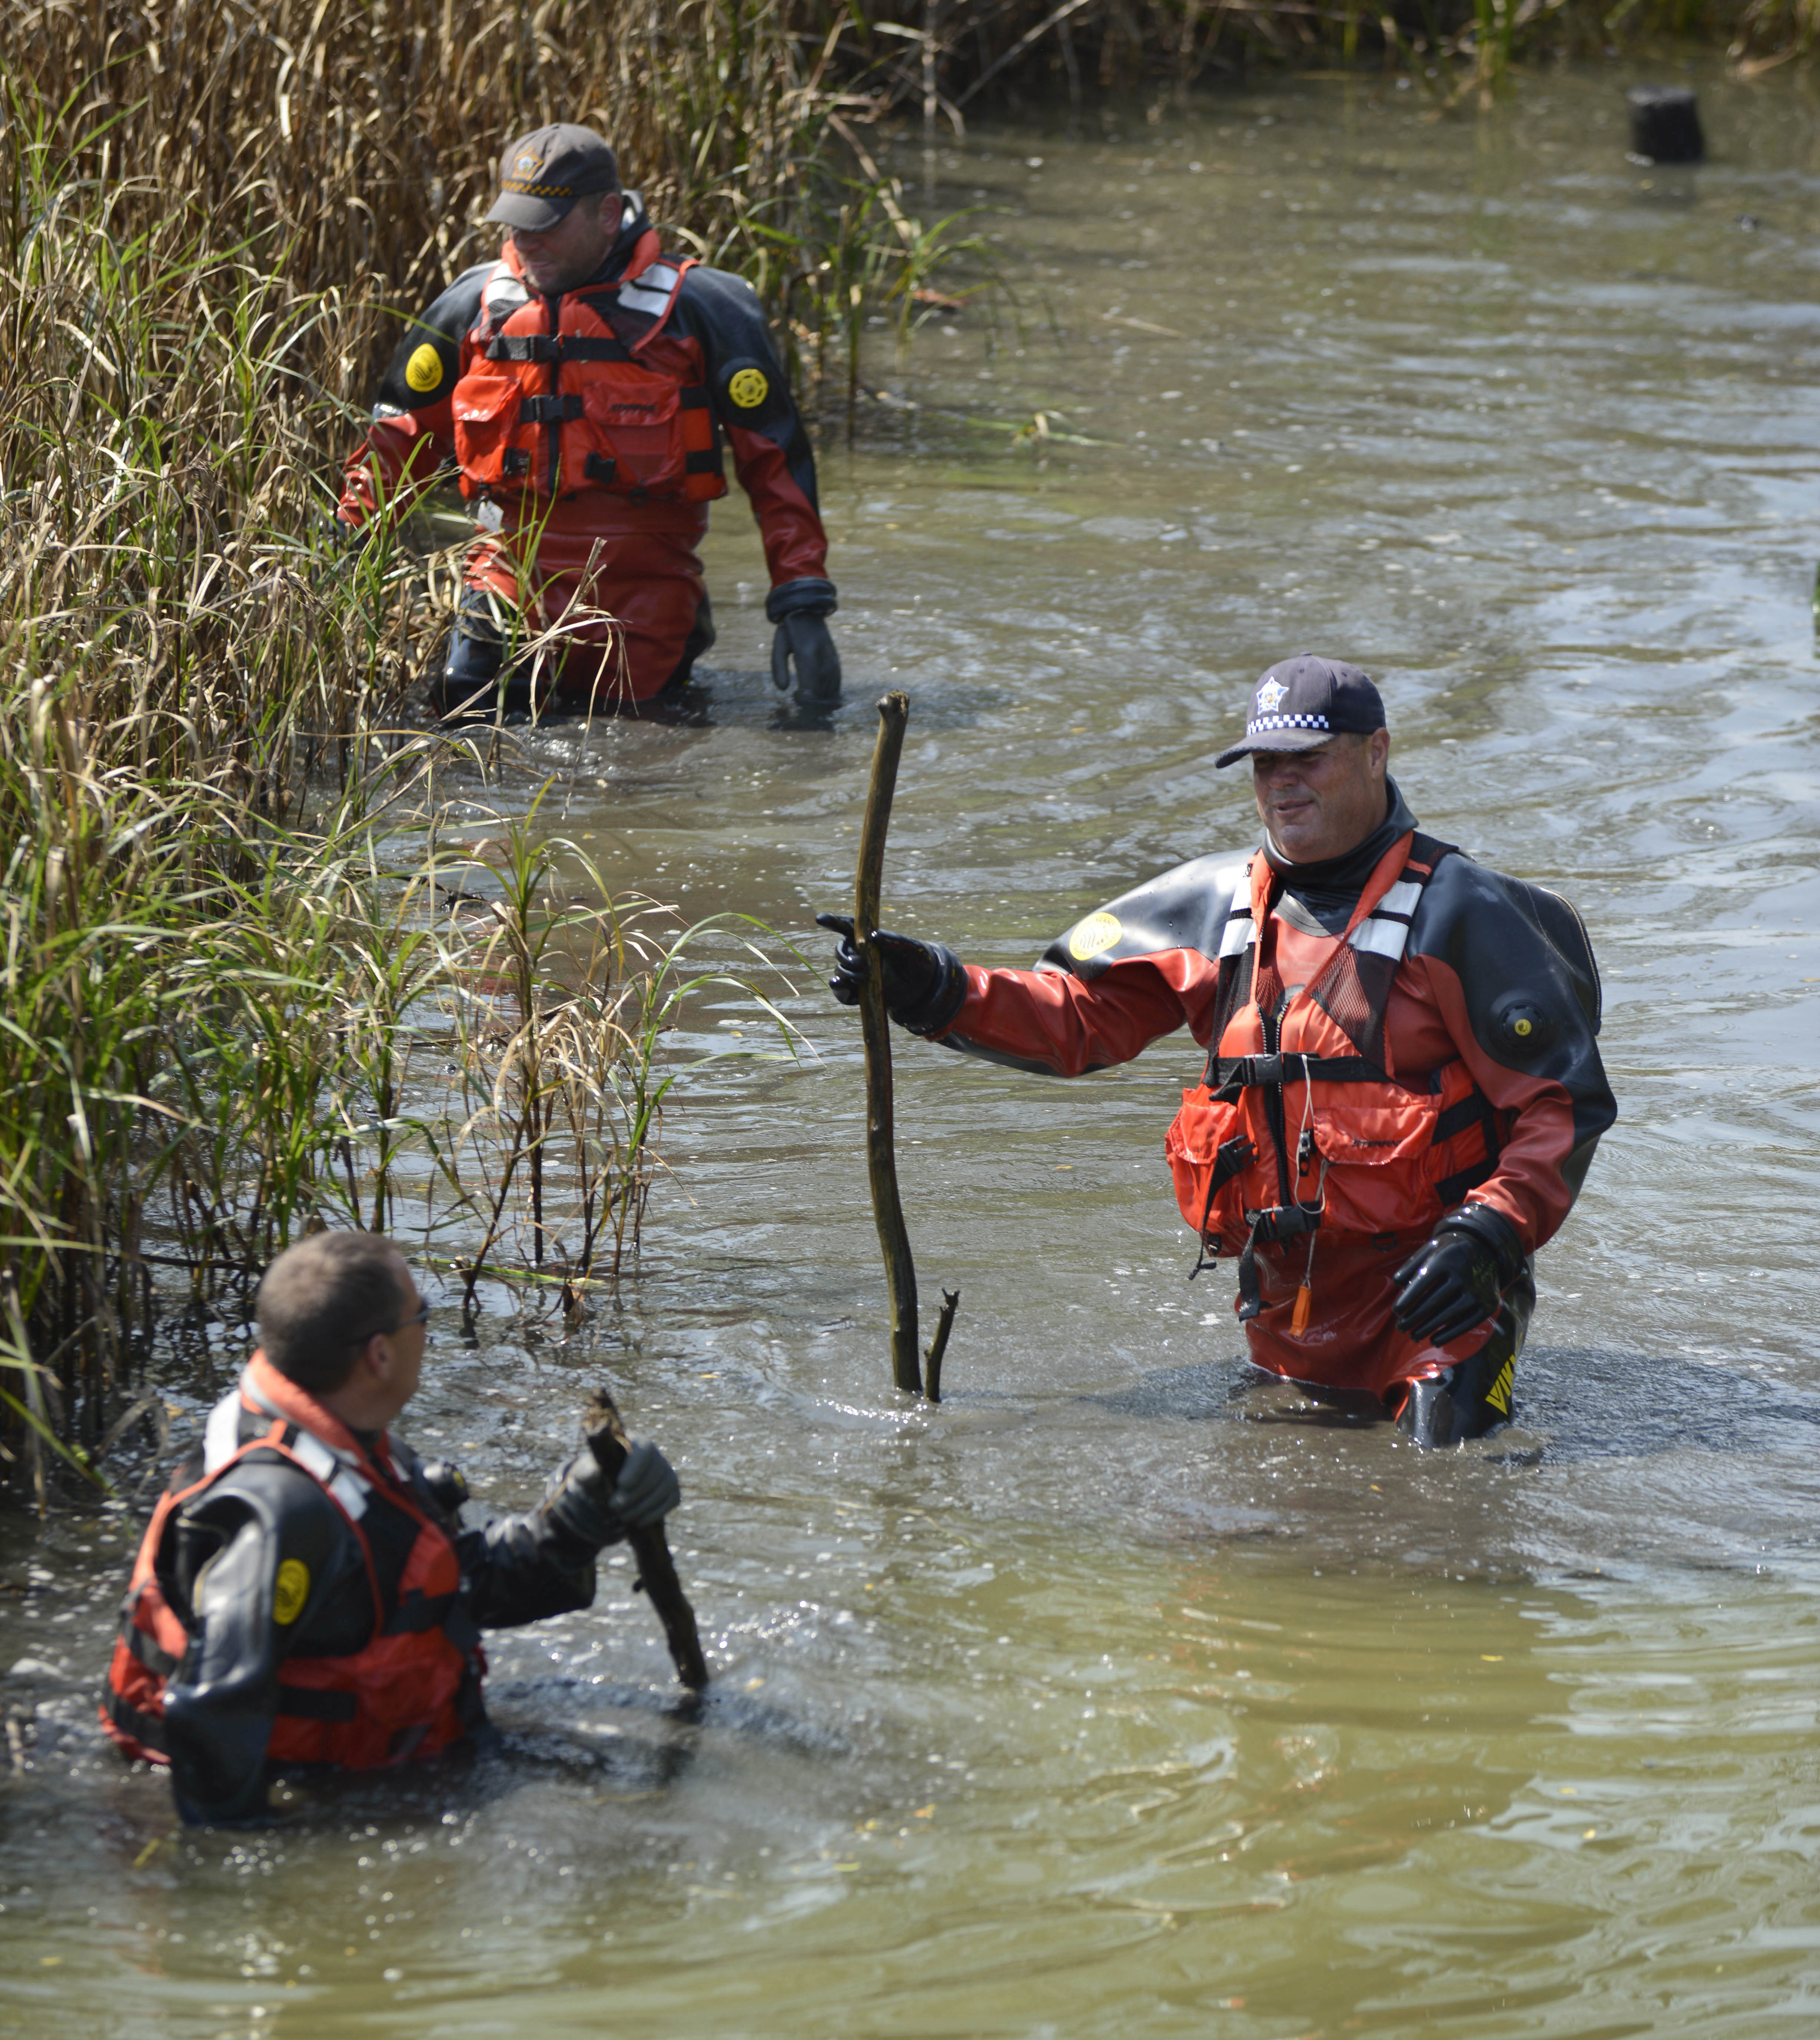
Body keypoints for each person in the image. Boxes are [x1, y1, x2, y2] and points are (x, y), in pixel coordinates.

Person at [820, 655, 1616, 1443]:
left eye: (1307, 758)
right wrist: (931, 986)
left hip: (1441, 1296)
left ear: (1376, 752)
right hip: (1282, 1308)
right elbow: (1072, 1019)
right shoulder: (1212, 906)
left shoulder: (1465, 913)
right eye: (1263, 764)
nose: (1280, 782)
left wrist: (1486, 1236)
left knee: (1445, 1492)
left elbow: (1559, 1107)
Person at [100, 1231, 683, 1821]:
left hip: (389, 1762)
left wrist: (585, 1506)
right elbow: (209, 1713)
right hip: (327, 1797)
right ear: (379, 1355)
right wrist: (259, 1901)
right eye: (422, 1317)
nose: (429, 1333)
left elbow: (441, 1589)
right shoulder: (281, 1512)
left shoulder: (338, 1439)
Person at [336, 123, 840, 714]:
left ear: (607, 215)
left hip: (648, 604)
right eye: (514, 223)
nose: (525, 241)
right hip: (505, 585)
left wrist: (801, 603)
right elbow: (399, 442)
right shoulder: (470, 309)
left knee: (640, 768)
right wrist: (338, 559)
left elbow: (776, 463)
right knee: (466, 730)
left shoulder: (703, 311)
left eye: (545, 226)